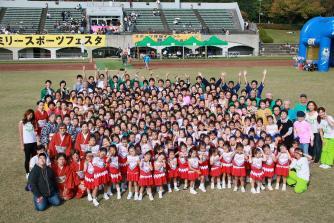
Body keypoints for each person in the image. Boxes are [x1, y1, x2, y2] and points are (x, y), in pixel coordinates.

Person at [19, 109, 38, 179]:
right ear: (26, 114)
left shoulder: (34, 122)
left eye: (31, 115)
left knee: (34, 158)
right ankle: (27, 172)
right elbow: (21, 134)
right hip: (27, 143)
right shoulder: (21, 122)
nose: (30, 116)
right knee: (27, 158)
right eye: (29, 115)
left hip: (34, 143)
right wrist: (22, 144)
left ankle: (34, 171)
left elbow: (36, 132)